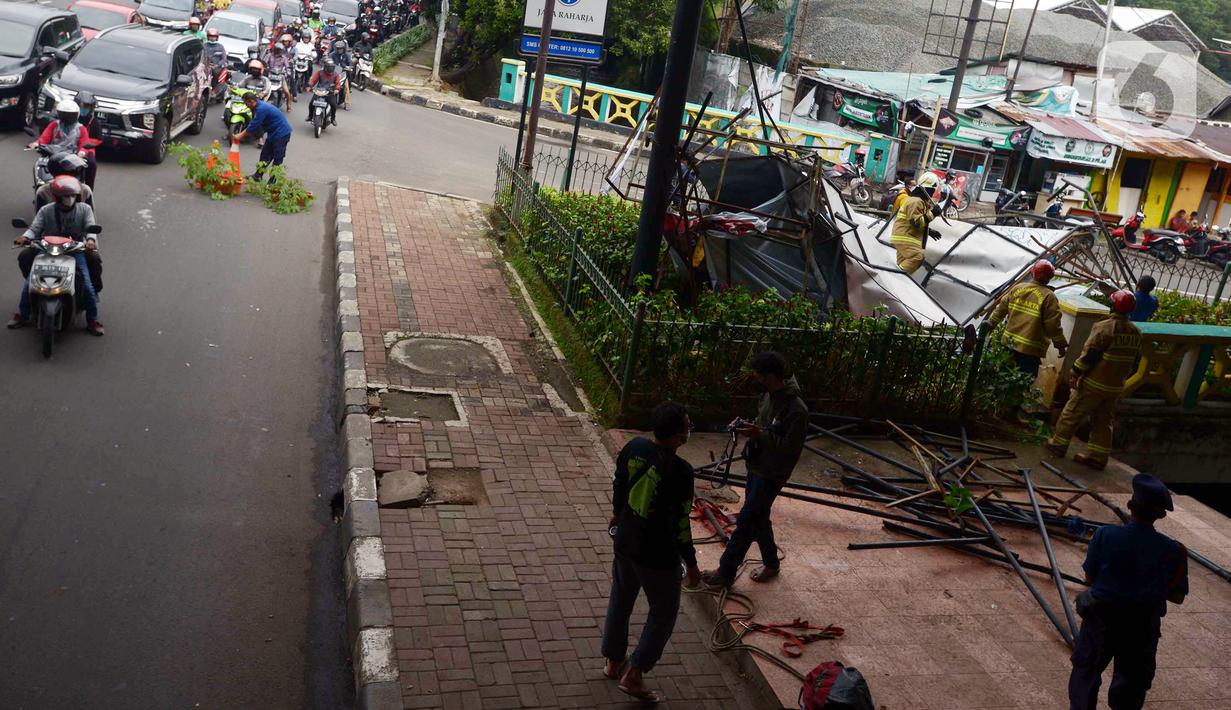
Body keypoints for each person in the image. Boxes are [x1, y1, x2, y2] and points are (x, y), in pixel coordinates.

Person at [602, 401, 699, 705]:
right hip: (658, 554)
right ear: (678, 436)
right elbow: (681, 523)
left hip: (626, 540)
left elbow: (620, 482)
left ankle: (613, 662)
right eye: (687, 424)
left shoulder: (634, 447)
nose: (689, 427)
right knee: (663, 612)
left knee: (621, 600)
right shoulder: (681, 471)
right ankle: (635, 674)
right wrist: (692, 564)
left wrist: (618, 513)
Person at [1068, 473, 1187, 710]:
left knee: (1086, 675)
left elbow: (1089, 578)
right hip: (1142, 626)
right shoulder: (1174, 551)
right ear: (1161, 515)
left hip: (1101, 619)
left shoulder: (1104, 535)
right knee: (1131, 686)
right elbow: (1177, 597)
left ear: (1130, 506)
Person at [702, 352, 807, 588]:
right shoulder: (770, 396)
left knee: (746, 522)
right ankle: (771, 563)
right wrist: (746, 426)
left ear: (770, 376)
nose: (755, 379)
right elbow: (765, 424)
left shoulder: (797, 410)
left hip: (772, 473)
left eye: (758, 375)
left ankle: (726, 572)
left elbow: (790, 448)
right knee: (758, 517)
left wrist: (760, 434)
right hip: (757, 464)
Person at [1046, 289, 1142, 470]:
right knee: (1103, 421)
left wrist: (1075, 372)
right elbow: (1135, 363)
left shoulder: (1104, 327)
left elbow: (1090, 354)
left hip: (1094, 384)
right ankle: (1098, 458)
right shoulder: (1135, 333)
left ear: (1112, 305)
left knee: (1071, 413)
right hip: (1115, 387)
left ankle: (1058, 444)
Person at [8, 176, 103, 336]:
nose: (69, 199)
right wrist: (25, 237)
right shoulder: (46, 210)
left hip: (74, 250)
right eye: (65, 196)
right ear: (56, 197)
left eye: (72, 195)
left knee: (87, 286)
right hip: (47, 248)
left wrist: (91, 240)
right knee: (28, 284)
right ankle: (23, 315)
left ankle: (92, 320)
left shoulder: (84, 209)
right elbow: (35, 228)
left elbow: (90, 228)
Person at [986, 259, 1068, 377]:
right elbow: (1053, 324)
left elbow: (1000, 310)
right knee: (1022, 385)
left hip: (1009, 345)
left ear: (1032, 272)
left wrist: (989, 325)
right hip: (1030, 351)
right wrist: (1060, 345)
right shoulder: (1049, 297)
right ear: (1050, 277)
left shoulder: (1017, 288)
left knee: (1002, 379)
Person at [890, 172, 941, 275]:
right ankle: (894, 277)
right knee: (917, 257)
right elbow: (916, 223)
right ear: (927, 189)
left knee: (902, 264)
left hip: (905, 236)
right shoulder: (916, 201)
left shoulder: (920, 201)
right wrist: (933, 213)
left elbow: (914, 221)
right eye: (932, 190)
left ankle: (896, 283)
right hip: (905, 238)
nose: (933, 193)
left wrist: (929, 232)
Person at [234, 92, 292, 181]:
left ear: (251, 101)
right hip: (272, 133)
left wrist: (240, 136)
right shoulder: (257, 107)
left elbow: (253, 125)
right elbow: (256, 125)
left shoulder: (262, 108)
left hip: (282, 133)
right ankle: (258, 176)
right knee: (265, 154)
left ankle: (272, 182)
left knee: (277, 157)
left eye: (246, 103)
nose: (246, 106)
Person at [29, 100, 93, 178]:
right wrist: (36, 143)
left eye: (70, 115)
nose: (67, 117)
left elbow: (84, 143)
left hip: (72, 159)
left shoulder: (81, 129)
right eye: (64, 114)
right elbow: (44, 138)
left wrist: (82, 152)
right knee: (39, 170)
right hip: (53, 156)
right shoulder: (54, 125)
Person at [69, 91, 100, 189]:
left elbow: (98, 139)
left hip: (86, 149)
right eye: (82, 106)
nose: (84, 109)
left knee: (91, 164)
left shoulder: (94, 122)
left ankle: (89, 190)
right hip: (68, 145)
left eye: (87, 106)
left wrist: (84, 144)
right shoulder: (69, 117)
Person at [307, 58, 343, 126]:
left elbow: (338, 83)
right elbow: (313, 80)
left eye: (332, 67)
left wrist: (337, 89)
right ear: (325, 67)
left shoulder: (336, 75)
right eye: (329, 67)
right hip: (319, 92)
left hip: (330, 93)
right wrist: (310, 86)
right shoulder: (319, 73)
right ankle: (310, 116)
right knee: (311, 103)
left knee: (334, 105)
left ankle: (333, 119)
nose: (331, 69)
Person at [262, 43, 294, 109]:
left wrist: (288, 73)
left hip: (280, 76)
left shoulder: (284, 58)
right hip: (270, 75)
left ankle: (288, 105)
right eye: (279, 51)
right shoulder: (269, 56)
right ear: (276, 50)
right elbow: (264, 64)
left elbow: (287, 67)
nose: (281, 52)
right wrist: (265, 69)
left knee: (287, 92)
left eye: (281, 51)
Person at [329, 39, 353, 110]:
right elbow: (329, 61)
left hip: (343, 73)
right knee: (326, 82)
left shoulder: (347, 55)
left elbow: (350, 63)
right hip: (333, 73)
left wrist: (349, 67)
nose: (339, 50)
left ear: (344, 48)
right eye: (338, 48)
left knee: (346, 87)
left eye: (341, 48)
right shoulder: (332, 54)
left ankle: (347, 103)